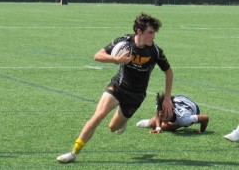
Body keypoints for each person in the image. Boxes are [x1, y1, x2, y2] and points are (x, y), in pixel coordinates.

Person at [56, 13, 174, 163]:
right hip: (118, 86)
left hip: (136, 95)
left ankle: (122, 122)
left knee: (113, 127)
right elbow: (98, 55)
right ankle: (73, 153)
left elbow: (169, 72)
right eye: (150, 32)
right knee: (98, 116)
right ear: (139, 31)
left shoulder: (155, 51)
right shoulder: (123, 42)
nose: (154, 36)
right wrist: (116, 59)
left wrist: (168, 98)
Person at [136, 93, 209, 134]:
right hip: (179, 99)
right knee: (153, 123)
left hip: (192, 107)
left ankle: (154, 123)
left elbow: (205, 118)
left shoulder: (184, 119)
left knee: (165, 126)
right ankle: (149, 122)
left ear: (172, 111)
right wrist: (158, 127)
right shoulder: (161, 106)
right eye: (162, 115)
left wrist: (201, 131)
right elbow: (158, 113)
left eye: (166, 115)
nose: (163, 118)